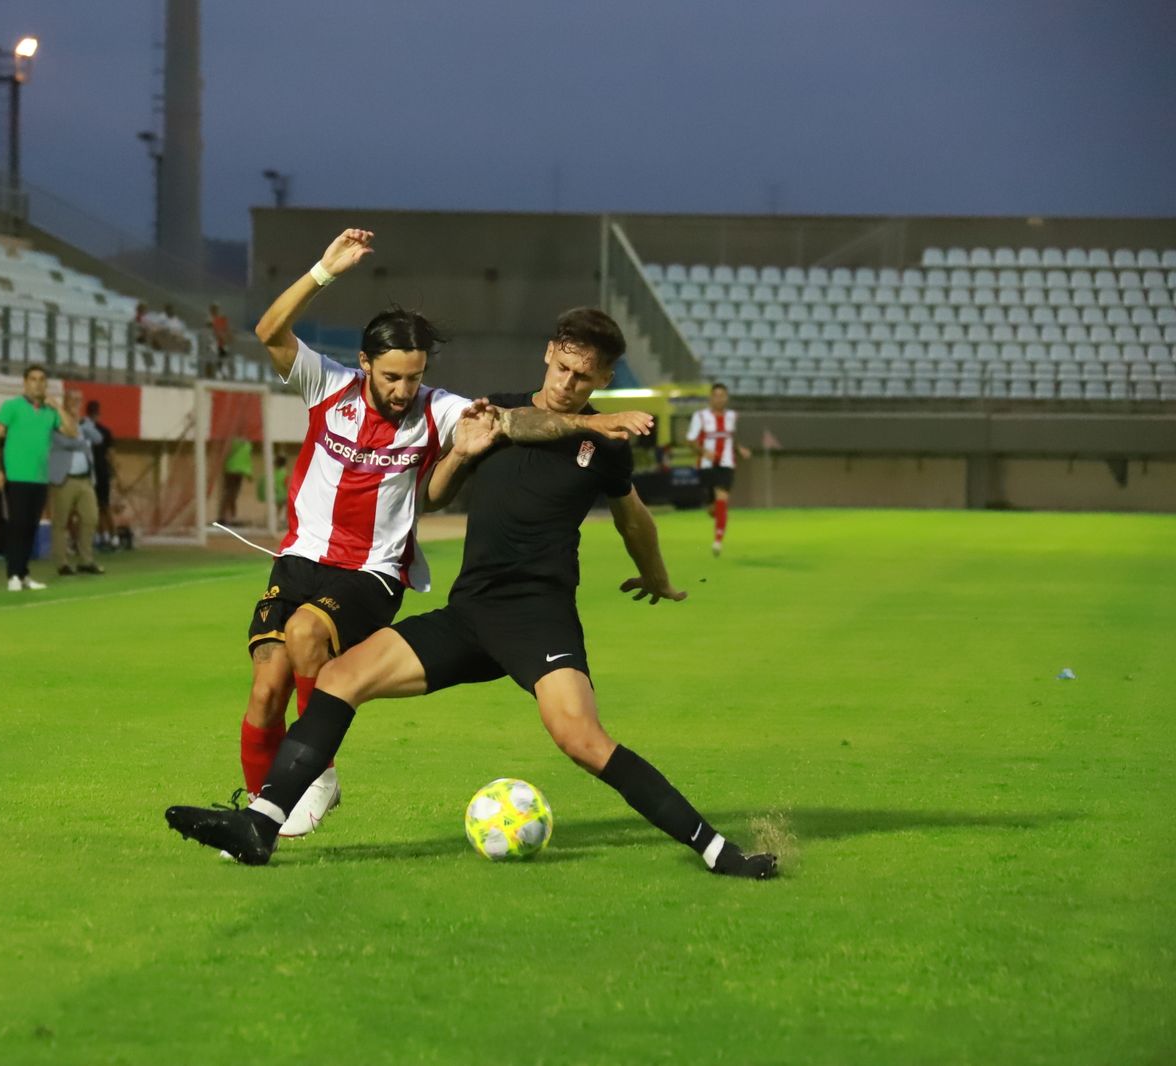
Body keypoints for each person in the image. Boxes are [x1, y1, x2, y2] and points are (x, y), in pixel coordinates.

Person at [165, 309, 778, 879]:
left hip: (539, 620)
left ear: (605, 376)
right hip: (470, 613)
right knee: (338, 678)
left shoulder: (608, 445)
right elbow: (432, 494)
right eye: (562, 367)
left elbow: (633, 516)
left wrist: (658, 576)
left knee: (582, 740)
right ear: (547, 355)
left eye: (583, 375)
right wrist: (461, 454)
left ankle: (719, 852)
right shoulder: (494, 414)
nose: (568, 382)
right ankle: (261, 825)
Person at [224, 228, 650, 838]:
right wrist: (323, 271)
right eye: (392, 377)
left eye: (414, 376)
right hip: (298, 560)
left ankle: (318, 773)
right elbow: (269, 332)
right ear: (366, 363)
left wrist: (597, 421)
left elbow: (515, 422)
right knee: (266, 688)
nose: (403, 390)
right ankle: (256, 811)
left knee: (304, 634)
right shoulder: (328, 386)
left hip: (372, 571)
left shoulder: (438, 408)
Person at [0, 365, 78, 591]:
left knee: (31, 527)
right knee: (17, 525)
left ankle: (24, 572)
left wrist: (57, 406)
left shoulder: (50, 412)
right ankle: (13, 576)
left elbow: (71, 431)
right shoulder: (12, 407)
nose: (37, 383)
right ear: (25, 382)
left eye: (41, 380)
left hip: (40, 478)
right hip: (17, 476)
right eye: (33, 379)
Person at [687, 383, 753, 557]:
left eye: (722, 395)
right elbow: (690, 442)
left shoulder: (731, 416)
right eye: (716, 395)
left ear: (726, 398)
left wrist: (740, 449)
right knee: (712, 509)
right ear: (711, 397)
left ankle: (717, 541)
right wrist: (704, 451)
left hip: (726, 463)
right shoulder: (700, 416)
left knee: (722, 498)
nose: (719, 399)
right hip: (706, 465)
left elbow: (730, 437)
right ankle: (713, 511)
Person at [47, 388, 104, 576]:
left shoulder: (84, 423)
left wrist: (81, 426)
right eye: (72, 399)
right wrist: (81, 434)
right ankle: (62, 563)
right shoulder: (55, 420)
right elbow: (67, 442)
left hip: (85, 479)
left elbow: (98, 438)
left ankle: (86, 560)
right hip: (65, 479)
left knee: (90, 518)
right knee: (61, 522)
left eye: (79, 399)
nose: (76, 402)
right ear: (65, 401)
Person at [81, 399, 116, 549]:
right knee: (103, 506)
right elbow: (111, 454)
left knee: (96, 507)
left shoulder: (81, 428)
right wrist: (113, 471)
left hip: (89, 471)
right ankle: (110, 537)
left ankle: (103, 536)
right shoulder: (105, 431)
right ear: (98, 413)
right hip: (101, 472)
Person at [218, 437, 250, 525]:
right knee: (231, 494)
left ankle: (227, 516)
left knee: (229, 494)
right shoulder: (246, 444)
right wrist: (249, 473)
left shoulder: (232, 442)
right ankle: (229, 516)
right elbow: (246, 459)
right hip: (236, 471)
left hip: (231, 470)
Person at [208, 303, 233, 378]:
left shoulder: (221, 319)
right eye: (214, 309)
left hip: (221, 344)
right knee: (215, 359)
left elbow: (225, 330)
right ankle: (213, 374)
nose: (216, 311)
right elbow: (214, 331)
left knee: (223, 358)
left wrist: (226, 337)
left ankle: (222, 374)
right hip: (212, 344)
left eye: (216, 309)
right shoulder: (210, 320)